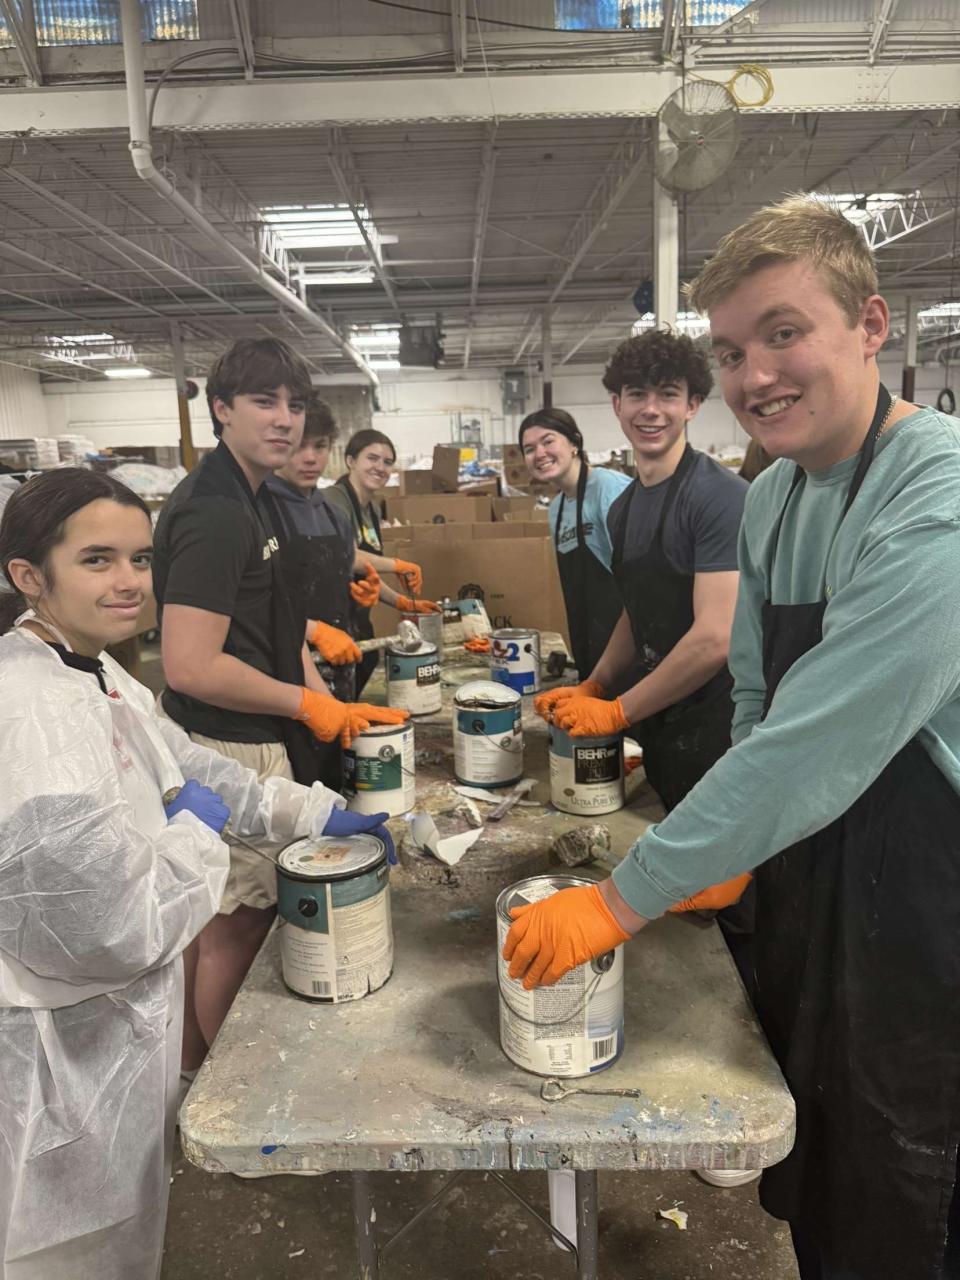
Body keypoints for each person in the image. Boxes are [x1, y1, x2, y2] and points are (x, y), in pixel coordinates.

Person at [503, 194, 960, 1280]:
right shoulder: (775, 498)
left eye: (783, 332)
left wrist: (621, 899)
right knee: (819, 1153)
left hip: (924, 895)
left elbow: (821, 736)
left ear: (871, 325)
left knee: (907, 1175)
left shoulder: (936, 489)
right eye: (733, 350)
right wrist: (738, 847)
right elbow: (756, 696)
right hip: (814, 872)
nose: (756, 375)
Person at [0, 469, 384, 1279]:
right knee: (61, 1251)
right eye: (97, 560)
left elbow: (196, 767)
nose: (129, 581)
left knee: (122, 1231)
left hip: (113, 1034)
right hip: (59, 1060)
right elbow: (108, 930)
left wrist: (313, 814)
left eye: (140, 559)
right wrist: (193, 837)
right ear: (29, 576)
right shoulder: (29, 716)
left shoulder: (96, 672)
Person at [151, 338, 406, 1070]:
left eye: (294, 405)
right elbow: (191, 665)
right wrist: (304, 704)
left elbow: (275, 625)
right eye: (264, 402)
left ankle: (191, 1071)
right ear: (221, 410)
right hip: (230, 742)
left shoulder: (252, 496)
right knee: (238, 927)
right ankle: (226, 1091)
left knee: (217, 921)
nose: (285, 419)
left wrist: (330, 706)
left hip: (255, 732)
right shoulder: (215, 512)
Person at [536, 330, 748, 816]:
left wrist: (618, 710)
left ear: (692, 405)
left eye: (668, 395)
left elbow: (715, 638)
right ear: (617, 404)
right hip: (661, 717)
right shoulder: (624, 508)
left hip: (720, 726)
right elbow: (637, 613)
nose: (651, 410)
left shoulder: (718, 498)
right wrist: (596, 684)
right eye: (637, 394)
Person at [266, 393, 367, 788]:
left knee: (341, 769)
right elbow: (254, 602)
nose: (310, 458)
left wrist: (360, 596)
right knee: (302, 780)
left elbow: (338, 577)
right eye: (299, 446)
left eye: (320, 446)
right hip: (287, 669)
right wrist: (311, 630)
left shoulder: (334, 514)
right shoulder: (260, 511)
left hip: (341, 663)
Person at [323, 427, 439, 695]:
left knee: (366, 673)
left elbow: (367, 573)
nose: (380, 467)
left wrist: (401, 602)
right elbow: (346, 557)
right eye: (372, 458)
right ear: (351, 460)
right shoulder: (334, 500)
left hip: (359, 619)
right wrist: (397, 565)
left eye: (387, 462)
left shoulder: (372, 509)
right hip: (331, 625)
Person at [518, 407, 631, 680]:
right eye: (529, 449)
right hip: (589, 647)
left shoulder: (609, 488)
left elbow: (641, 580)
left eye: (548, 441)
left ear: (574, 443)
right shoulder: (556, 508)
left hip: (628, 650)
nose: (539, 453)